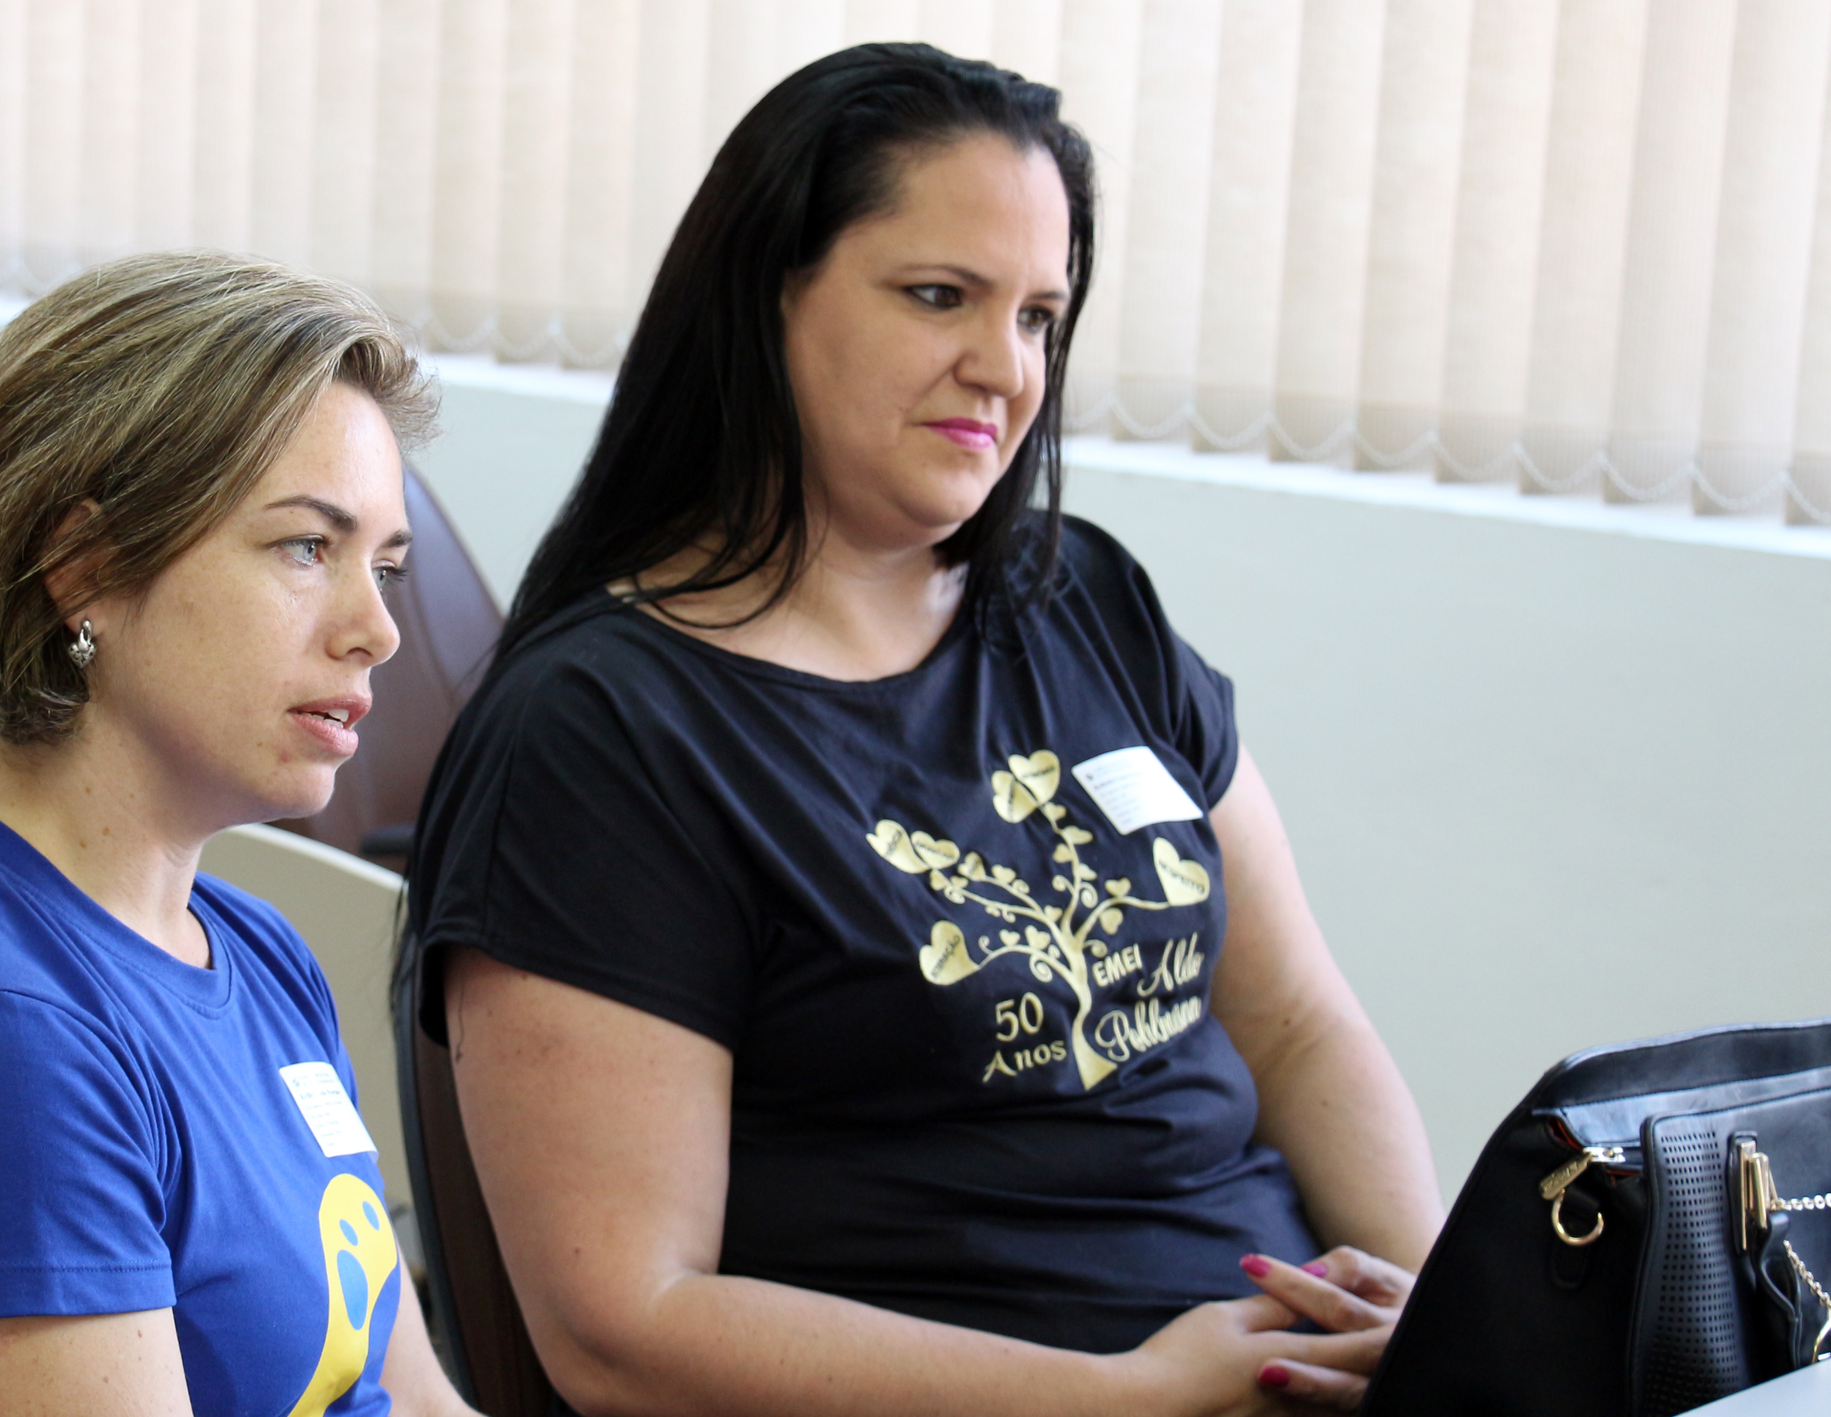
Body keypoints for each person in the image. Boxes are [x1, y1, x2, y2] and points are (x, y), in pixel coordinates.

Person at [403, 43, 1443, 1417]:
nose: (1002, 367)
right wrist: (1128, 1396)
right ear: (766, 296)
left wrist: (1442, 1318)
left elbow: (1298, 1023)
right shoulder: (600, 736)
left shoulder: (1086, 600)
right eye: (939, 296)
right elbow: (623, 1328)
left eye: (1038, 315)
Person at [0, 251, 477, 1417]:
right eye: (305, 547)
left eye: (384, 565)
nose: (376, 629)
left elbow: (412, 1396)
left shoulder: (254, 949)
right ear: (82, 568)